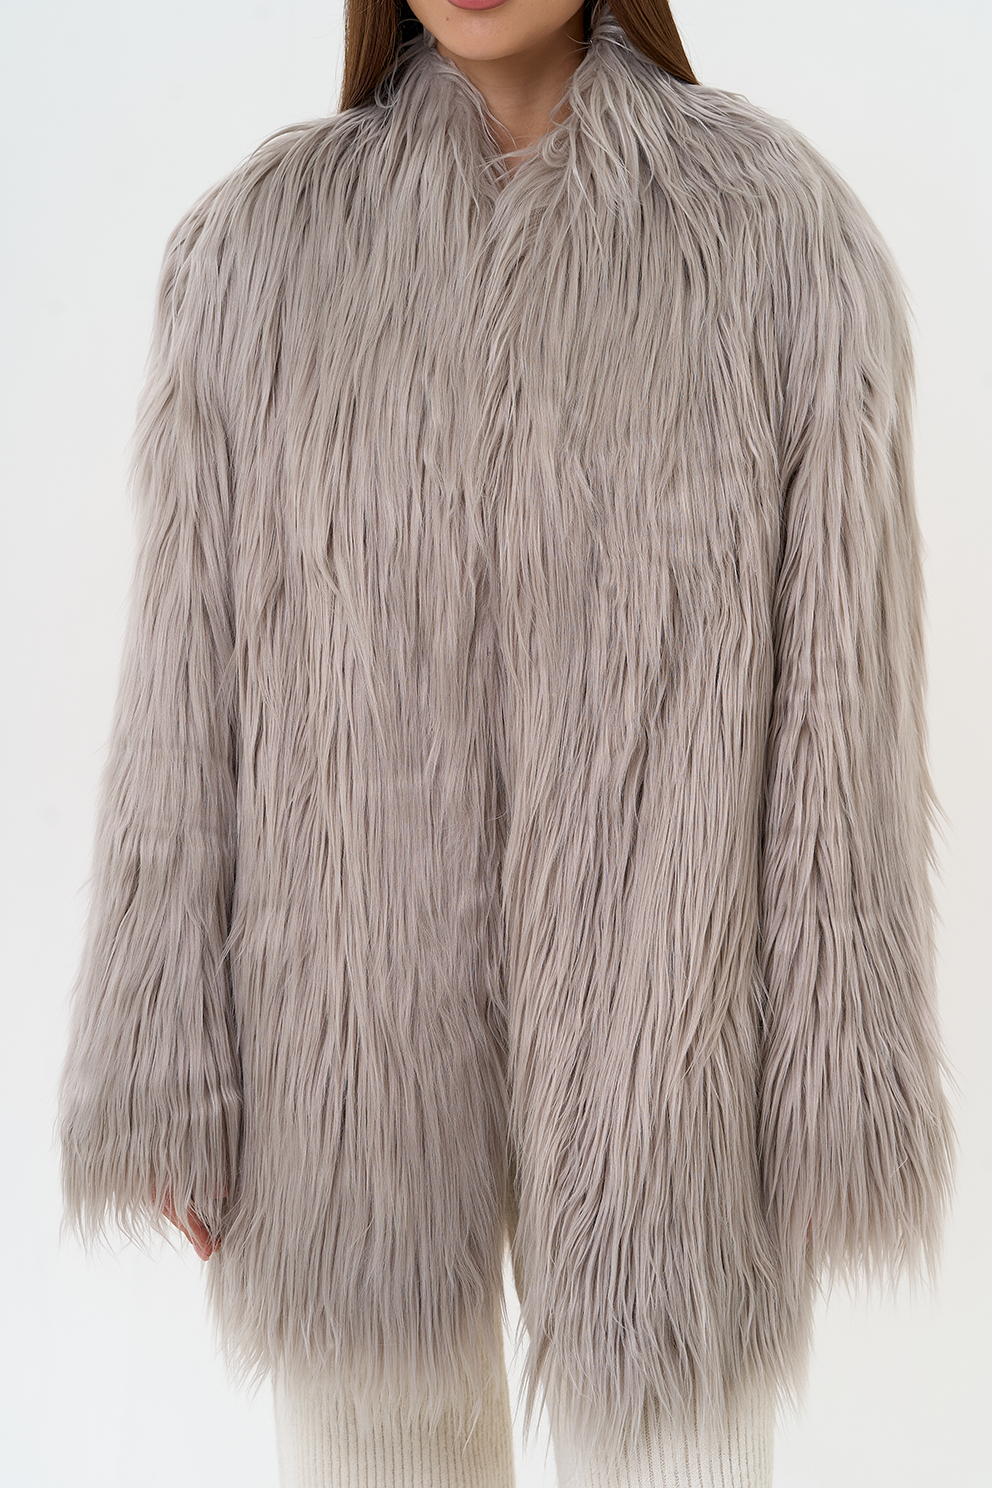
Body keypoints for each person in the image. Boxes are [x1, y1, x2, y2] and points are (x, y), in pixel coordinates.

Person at [56, 3, 957, 1486]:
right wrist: (169, 1064)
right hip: (343, 1048)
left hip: (672, 1042)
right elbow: (182, 685)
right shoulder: (256, 257)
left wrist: (829, 1076)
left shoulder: (774, 242)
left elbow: (841, 711)